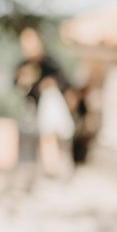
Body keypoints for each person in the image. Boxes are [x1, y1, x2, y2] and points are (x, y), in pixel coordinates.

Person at [13, 26, 73, 185]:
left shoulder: (50, 63)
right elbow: (17, 84)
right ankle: (33, 172)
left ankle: (58, 171)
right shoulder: (24, 65)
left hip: (52, 112)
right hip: (32, 111)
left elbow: (64, 82)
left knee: (56, 139)